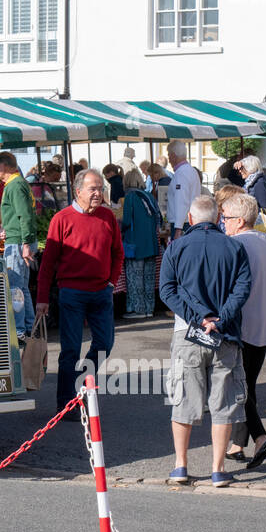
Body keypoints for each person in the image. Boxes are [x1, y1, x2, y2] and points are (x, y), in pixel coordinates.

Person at [158, 194, 252, 487]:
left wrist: (198, 316)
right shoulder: (234, 247)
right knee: (223, 402)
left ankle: (180, 465)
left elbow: (167, 291)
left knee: (184, 400)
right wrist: (220, 317)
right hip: (225, 334)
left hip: (187, 333)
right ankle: (217, 468)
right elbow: (242, 289)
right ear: (217, 219)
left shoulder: (176, 248)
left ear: (190, 219)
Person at [35, 169, 124, 410]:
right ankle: (66, 404)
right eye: (93, 188)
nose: (98, 193)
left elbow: (118, 253)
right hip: (72, 293)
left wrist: (111, 282)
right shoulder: (62, 219)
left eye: (100, 188)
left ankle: (82, 384)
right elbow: (48, 263)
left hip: (101, 292)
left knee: (104, 344)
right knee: (70, 350)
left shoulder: (108, 217)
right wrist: (42, 298)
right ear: (78, 191)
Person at [220, 193, 266, 470]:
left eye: (226, 218)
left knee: (238, 387)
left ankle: (260, 437)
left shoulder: (234, 244)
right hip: (264, 321)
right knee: (248, 384)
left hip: (242, 325)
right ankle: (237, 445)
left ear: (239, 220)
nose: (223, 223)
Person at [0, 152, 37, 339]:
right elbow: (19, 215)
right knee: (22, 288)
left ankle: (19, 331)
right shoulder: (16, 184)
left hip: (18, 243)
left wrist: (25, 242)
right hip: (18, 240)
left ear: (4, 166)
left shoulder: (14, 185)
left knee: (15, 288)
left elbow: (24, 215)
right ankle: (28, 327)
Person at [120, 167, 161, 319]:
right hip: (151, 243)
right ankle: (149, 309)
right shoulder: (149, 195)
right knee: (149, 278)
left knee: (135, 277)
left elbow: (126, 221)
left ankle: (138, 310)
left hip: (135, 244)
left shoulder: (130, 196)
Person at [164, 141, 202, 237]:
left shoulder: (181, 173)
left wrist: (178, 229)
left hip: (182, 225)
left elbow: (181, 201)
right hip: (189, 221)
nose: (169, 160)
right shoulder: (191, 170)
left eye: (169, 156)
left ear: (173, 155)